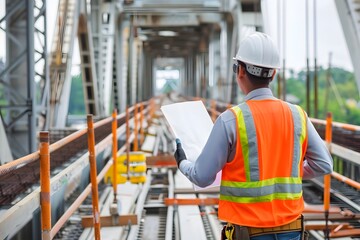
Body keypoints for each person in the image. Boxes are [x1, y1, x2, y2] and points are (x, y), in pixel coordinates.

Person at [174, 32, 333, 240]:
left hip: (248, 233)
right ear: (274, 74)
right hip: (292, 230)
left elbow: (202, 177)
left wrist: (183, 162)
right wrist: (287, 173)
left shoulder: (231, 120)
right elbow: (324, 164)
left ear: (239, 70)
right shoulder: (298, 115)